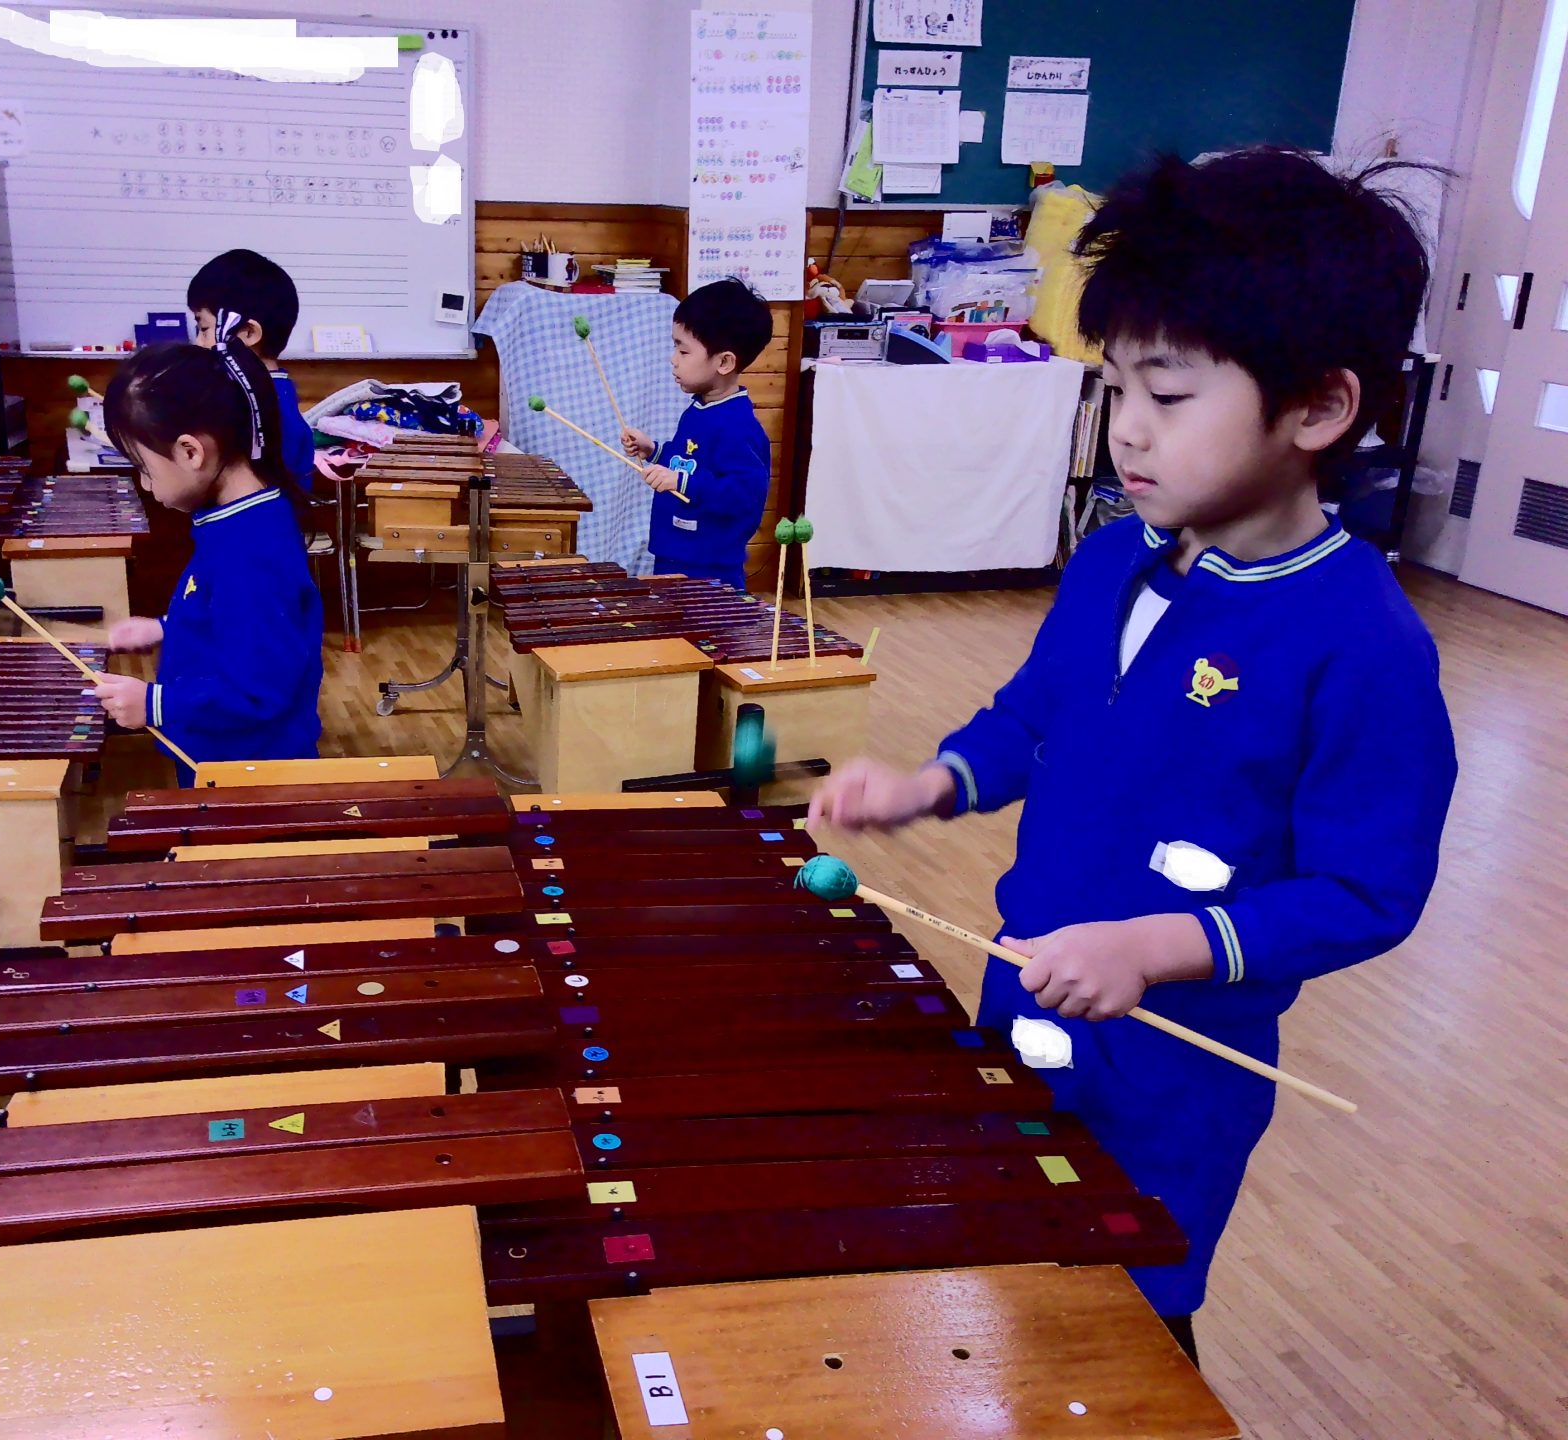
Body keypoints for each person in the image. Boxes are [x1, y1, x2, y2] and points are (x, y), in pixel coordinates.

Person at [807, 148, 1459, 1363]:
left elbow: (1367, 891)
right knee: (1005, 1262)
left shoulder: (1362, 642)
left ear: (1319, 409)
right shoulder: (1112, 560)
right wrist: (930, 783)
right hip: (1024, 985)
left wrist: (1153, 948)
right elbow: (1033, 718)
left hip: (1176, 1063)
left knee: (1128, 1323)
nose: (1129, 431)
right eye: (1115, 390)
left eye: (1169, 395)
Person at [93, 314, 323, 780]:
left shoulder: (252, 551)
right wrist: (167, 626)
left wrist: (154, 703)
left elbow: (258, 689)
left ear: (190, 451)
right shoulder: (237, 520)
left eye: (144, 468)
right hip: (223, 759)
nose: (145, 484)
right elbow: (231, 617)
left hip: (251, 776)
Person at [619, 277, 774, 590]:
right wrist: (654, 451)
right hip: (674, 553)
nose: (673, 359)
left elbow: (745, 495)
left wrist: (681, 483)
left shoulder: (737, 426)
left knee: (705, 625)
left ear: (724, 362)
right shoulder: (700, 408)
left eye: (683, 350)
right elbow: (691, 461)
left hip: (708, 568)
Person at [187, 248, 316, 491]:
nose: (198, 344)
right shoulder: (264, 396)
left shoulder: (265, 409)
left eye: (204, 329)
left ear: (248, 333)